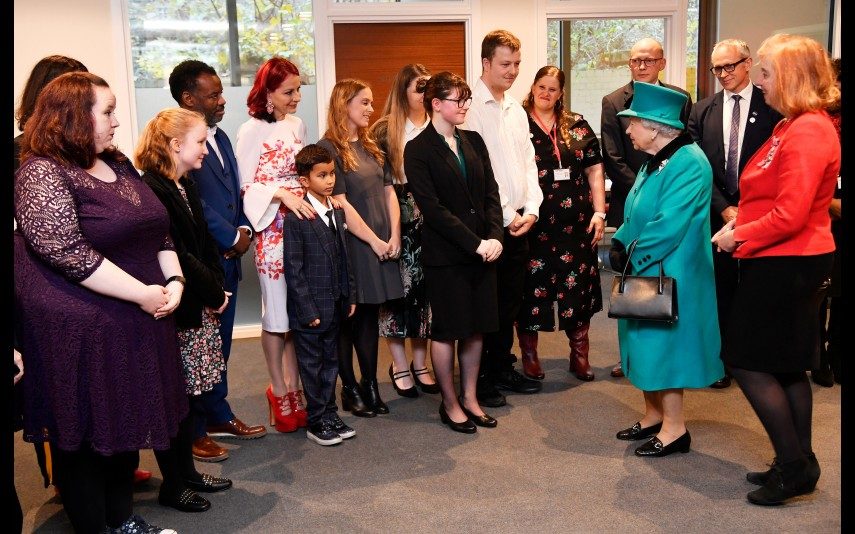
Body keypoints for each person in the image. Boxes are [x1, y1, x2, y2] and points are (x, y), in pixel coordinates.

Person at [14, 71, 182, 534]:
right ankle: (96, 527)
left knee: (125, 423)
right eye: (106, 111)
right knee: (85, 435)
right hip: (79, 327)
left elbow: (157, 226)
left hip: (133, 316)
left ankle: (123, 519)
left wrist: (174, 278)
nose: (116, 121)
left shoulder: (117, 162)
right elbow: (65, 250)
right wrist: (143, 294)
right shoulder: (40, 171)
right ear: (72, 117)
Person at [712, 33, 840, 506]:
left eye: (763, 73)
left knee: (745, 359)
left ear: (787, 76)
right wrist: (742, 221)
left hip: (790, 262)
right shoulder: (792, 125)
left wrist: (736, 234)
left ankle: (791, 466)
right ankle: (801, 462)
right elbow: (768, 197)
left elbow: (791, 214)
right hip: (781, 258)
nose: (757, 82)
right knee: (787, 364)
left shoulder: (809, 131)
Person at [610, 81, 723, 457]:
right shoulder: (657, 159)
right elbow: (636, 209)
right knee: (642, 342)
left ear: (656, 125)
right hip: (648, 265)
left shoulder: (689, 162)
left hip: (673, 270)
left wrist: (629, 252)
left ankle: (675, 429)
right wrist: (622, 238)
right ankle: (652, 415)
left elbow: (668, 223)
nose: (628, 130)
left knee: (666, 347)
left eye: (633, 123)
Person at [137, 108, 235, 512]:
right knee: (174, 401)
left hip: (199, 301)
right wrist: (214, 292)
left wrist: (216, 284)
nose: (206, 152)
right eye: (199, 143)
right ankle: (174, 484)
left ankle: (189, 474)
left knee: (192, 396)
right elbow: (177, 253)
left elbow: (206, 245)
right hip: (177, 310)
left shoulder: (183, 184)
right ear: (176, 145)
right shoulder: (154, 189)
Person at [169, 60, 267, 463]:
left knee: (221, 345)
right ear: (188, 98)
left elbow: (235, 193)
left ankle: (218, 414)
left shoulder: (221, 136)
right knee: (198, 350)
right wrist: (229, 236)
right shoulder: (176, 142)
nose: (222, 99)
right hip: (204, 259)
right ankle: (194, 430)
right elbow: (193, 199)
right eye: (212, 94)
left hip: (230, 255)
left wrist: (244, 229)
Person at [406, 71, 504, 434]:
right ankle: (450, 403)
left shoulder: (474, 141)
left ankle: (471, 397)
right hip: (447, 255)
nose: (464, 106)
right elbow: (432, 209)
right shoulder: (417, 149)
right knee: (448, 330)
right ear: (436, 104)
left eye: (466, 100)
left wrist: (495, 236)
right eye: (457, 100)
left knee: (477, 329)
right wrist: (474, 242)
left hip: (484, 250)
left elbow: (491, 194)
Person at [687, 39, 782, 390]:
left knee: (757, 289)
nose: (723, 74)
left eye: (730, 66)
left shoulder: (772, 107)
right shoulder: (701, 111)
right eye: (717, 68)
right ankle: (724, 361)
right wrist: (722, 206)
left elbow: (777, 164)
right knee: (720, 290)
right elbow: (698, 168)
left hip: (762, 215)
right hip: (717, 213)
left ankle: (756, 360)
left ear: (748, 63)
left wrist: (749, 211)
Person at [600, 37, 693, 379]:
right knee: (633, 291)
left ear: (661, 63)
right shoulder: (613, 102)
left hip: (668, 200)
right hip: (633, 198)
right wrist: (642, 190)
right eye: (634, 60)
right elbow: (612, 156)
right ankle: (634, 357)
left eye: (647, 60)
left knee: (659, 289)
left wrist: (655, 193)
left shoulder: (679, 101)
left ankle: (654, 361)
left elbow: (684, 145)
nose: (640, 66)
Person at [465, 29, 544, 407]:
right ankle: (480, 379)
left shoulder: (515, 108)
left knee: (511, 302)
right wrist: (509, 214)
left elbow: (528, 162)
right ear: (485, 63)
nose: (513, 71)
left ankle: (501, 367)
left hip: (520, 222)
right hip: (489, 225)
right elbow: (481, 172)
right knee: (488, 307)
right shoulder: (470, 108)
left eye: (516, 64)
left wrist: (532, 209)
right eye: (505, 64)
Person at [235, 56, 313, 433]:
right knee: (276, 312)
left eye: (299, 89)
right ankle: (277, 388)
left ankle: (296, 389)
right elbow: (245, 185)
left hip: (302, 224)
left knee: (299, 309)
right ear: (267, 94)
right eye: (288, 91)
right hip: (273, 228)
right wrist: (281, 193)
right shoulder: (250, 131)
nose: (297, 97)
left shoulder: (297, 124)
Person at [319, 79, 405, 417]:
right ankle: (350, 389)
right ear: (344, 106)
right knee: (348, 318)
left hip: (382, 239)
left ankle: (370, 384)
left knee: (370, 317)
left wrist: (395, 234)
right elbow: (339, 203)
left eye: (371, 102)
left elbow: (389, 192)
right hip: (353, 243)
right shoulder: (328, 148)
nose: (371, 108)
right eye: (364, 103)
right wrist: (374, 240)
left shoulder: (371, 146)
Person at [518, 65, 606, 382]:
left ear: (561, 93)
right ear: (533, 86)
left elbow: (595, 170)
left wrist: (599, 212)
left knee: (577, 287)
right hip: (534, 224)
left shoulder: (576, 125)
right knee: (531, 288)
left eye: (553, 89)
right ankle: (529, 356)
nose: (546, 93)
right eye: (541, 86)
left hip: (576, 225)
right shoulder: (517, 122)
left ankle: (579, 355)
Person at [370, 64, 440, 397]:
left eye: (429, 87)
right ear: (403, 92)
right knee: (397, 293)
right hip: (395, 214)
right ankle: (398, 364)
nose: (426, 93)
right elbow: (377, 183)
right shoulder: (384, 130)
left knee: (426, 294)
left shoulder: (437, 125)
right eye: (419, 87)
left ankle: (421, 361)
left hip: (432, 217)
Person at [283, 144, 358, 446]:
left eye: (331, 174)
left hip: (336, 301)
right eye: (322, 175)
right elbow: (294, 269)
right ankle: (316, 419)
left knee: (332, 360)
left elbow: (345, 257)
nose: (329, 180)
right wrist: (306, 308)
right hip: (311, 309)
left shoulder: (336, 212)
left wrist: (349, 294)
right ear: (304, 181)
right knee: (312, 365)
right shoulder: (296, 219)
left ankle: (329, 412)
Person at [812, 56, 842, 387]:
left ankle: (837, 356)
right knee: (819, 291)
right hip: (821, 214)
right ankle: (818, 356)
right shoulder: (814, 119)